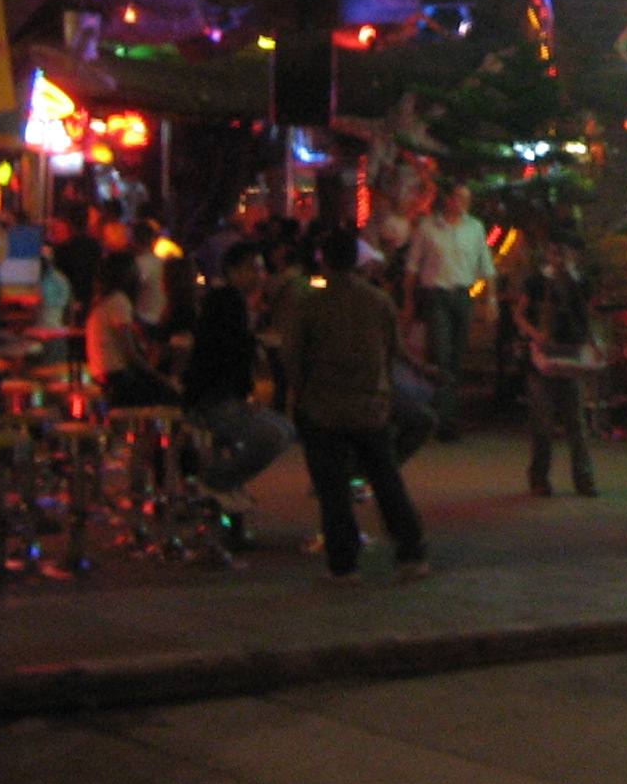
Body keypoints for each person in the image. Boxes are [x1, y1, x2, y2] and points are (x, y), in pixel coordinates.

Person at [285, 228, 429, 582]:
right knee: (386, 479)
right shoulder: (377, 300)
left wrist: (297, 396)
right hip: (370, 404)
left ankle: (344, 563)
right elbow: (394, 348)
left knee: (332, 488)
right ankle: (411, 551)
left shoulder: (311, 303)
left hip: (324, 405)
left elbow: (294, 356)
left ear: (324, 260)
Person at [185, 244, 293, 513]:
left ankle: (229, 482)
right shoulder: (227, 301)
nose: (259, 275)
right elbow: (228, 353)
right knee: (272, 436)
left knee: (285, 429)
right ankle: (216, 482)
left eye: (261, 269)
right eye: (252, 269)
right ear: (232, 271)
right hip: (212, 400)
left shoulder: (233, 302)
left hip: (223, 395)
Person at [404, 182, 497, 441]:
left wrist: (490, 300)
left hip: (462, 295)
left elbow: (486, 265)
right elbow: (413, 266)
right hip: (436, 294)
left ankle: (443, 411)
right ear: (448, 199)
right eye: (459, 198)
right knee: (441, 353)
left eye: (467, 199)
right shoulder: (428, 228)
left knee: (456, 355)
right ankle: (444, 419)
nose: (463, 203)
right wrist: (409, 301)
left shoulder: (474, 228)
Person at [517, 231, 603, 497]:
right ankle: (540, 477)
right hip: (543, 355)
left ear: (573, 255)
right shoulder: (537, 282)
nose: (559, 259)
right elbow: (519, 314)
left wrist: (595, 344)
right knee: (542, 421)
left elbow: (589, 316)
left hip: (570, 353)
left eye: (563, 253)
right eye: (554, 253)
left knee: (576, 422)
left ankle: (583, 478)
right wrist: (535, 335)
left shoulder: (582, 283)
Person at [87, 248, 178, 407]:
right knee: (170, 395)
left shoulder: (102, 302)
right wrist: (160, 377)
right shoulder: (119, 301)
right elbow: (130, 353)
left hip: (101, 373)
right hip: (118, 376)